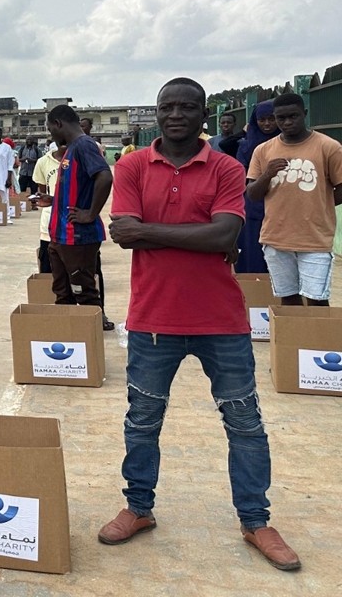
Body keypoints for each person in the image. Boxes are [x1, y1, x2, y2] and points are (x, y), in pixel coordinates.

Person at [101, 77, 300, 571]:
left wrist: (150, 231)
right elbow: (124, 236)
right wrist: (196, 233)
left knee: (244, 423)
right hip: (153, 318)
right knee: (142, 421)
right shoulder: (131, 166)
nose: (176, 115)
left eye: (187, 107)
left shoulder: (227, 168)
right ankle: (138, 508)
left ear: (203, 113)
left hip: (220, 320)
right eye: (167, 107)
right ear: (156, 112)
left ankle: (255, 521)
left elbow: (224, 236)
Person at [246, 92, 342, 306]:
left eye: (293, 116)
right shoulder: (263, 150)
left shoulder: (328, 147)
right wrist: (267, 174)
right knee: (288, 299)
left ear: (304, 113)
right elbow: (252, 193)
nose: (287, 122)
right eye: (281, 118)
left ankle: (315, 331)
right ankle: (292, 331)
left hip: (315, 239)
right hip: (276, 237)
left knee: (317, 300)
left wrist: (319, 202)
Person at [45, 105, 113, 324]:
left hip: (77, 236)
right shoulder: (72, 148)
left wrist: (90, 214)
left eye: (50, 129)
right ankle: (69, 333)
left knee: (82, 290)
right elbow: (79, 188)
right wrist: (54, 200)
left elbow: (105, 177)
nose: (51, 135)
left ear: (58, 124)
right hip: (60, 236)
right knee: (62, 292)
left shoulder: (84, 145)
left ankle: (91, 332)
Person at [234, 102, 279, 273]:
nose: (267, 124)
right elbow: (242, 176)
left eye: (272, 119)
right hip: (254, 205)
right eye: (262, 120)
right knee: (253, 253)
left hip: (283, 204)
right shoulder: (246, 147)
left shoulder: (290, 144)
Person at [32, 144, 66, 272]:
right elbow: (43, 191)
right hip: (50, 220)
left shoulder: (82, 158)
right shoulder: (43, 162)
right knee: (48, 265)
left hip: (75, 220)